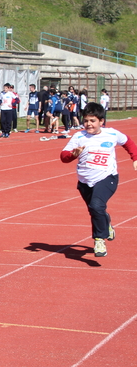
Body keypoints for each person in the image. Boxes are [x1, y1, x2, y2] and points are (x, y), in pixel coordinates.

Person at [60, 103, 137, 257]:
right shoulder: (79, 136)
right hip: (84, 182)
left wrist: (135, 158)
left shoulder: (112, 134)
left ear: (101, 121)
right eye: (86, 120)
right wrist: (73, 155)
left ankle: (99, 240)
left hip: (107, 178)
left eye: (92, 121)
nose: (88, 124)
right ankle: (106, 223)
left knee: (96, 205)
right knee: (95, 210)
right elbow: (64, 157)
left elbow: (128, 143)